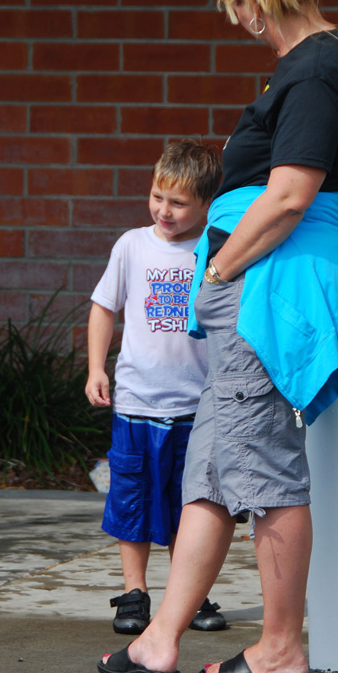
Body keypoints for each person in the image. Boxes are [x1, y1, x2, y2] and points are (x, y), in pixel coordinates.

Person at [96, 0, 338, 673]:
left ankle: (281, 647)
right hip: (254, 290)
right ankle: (159, 641)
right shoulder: (313, 68)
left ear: (252, 0)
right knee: (211, 476)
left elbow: (288, 195)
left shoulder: (313, 71)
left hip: (265, 290)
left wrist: (217, 266)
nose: (236, 19)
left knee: (267, 474)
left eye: (234, 5)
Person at [85, 138, 229, 636]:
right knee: (133, 498)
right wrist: (95, 368)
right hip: (137, 404)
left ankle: (189, 592)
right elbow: (104, 306)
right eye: (157, 197)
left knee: (192, 505)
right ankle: (135, 591)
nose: (163, 211)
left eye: (179, 202)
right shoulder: (132, 245)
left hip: (197, 406)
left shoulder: (217, 246)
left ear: (207, 204)